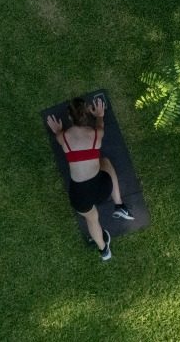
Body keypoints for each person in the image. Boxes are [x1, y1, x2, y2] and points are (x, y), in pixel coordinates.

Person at [46, 94, 132, 261]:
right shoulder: (95, 134)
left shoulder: (63, 137)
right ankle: (119, 205)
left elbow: (58, 133)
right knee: (105, 162)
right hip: (101, 188)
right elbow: (100, 124)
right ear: (87, 113)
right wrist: (99, 115)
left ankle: (104, 251)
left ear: (69, 117)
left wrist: (57, 129)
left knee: (92, 220)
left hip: (80, 197)